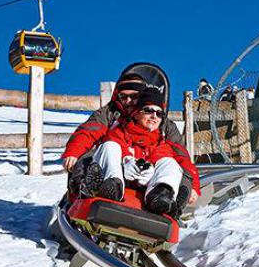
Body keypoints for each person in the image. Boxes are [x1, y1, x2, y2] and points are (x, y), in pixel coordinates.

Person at [74, 87, 200, 216]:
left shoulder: (159, 141)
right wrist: (127, 161)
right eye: (148, 111)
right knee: (109, 146)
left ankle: (160, 195)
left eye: (159, 113)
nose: (154, 116)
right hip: (120, 175)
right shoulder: (121, 131)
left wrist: (149, 169)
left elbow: (165, 157)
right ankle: (112, 187)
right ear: (137, 113)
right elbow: (116, 146)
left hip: (146, 185)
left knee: (170, 163)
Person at [62, 70, 183, 174]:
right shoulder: (109, 113)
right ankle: (89, 190)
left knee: (171, 165)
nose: (128, 101)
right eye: (123, 97)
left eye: (134, 96)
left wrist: (188, 183)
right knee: (87, 160)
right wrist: (74, 152)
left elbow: (180, 153)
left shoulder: (161, 122)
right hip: (113, 163)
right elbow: (89, 131)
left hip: (150, 167)